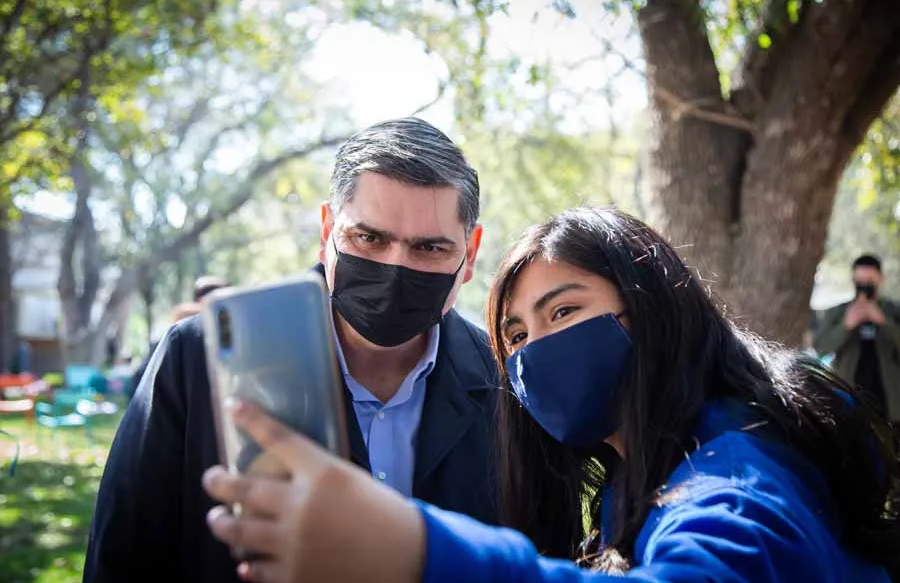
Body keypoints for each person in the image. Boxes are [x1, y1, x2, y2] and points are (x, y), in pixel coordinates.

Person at [202, 207, 899, 583]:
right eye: (515, 335)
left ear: (653, 309)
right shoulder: (635, 478)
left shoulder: (743, 477)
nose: (536, 349)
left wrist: (415, 551)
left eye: (563, 313)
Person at [83, 118, 499, 582]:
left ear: (470, 251)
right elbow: (121, 559)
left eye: (430, 248)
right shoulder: (197, 358)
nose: (395, 267)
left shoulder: (505, 383)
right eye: (369, 238)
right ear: (327, 231)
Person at [814, 254, 900, 425]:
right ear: (853, 279)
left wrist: (884, 322)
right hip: (849, 398)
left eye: (870, 280)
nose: (864, 285)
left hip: (890, 402)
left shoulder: (894, 311)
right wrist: (846, 326)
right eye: (860, 280)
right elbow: (821, 348)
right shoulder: (838, 312)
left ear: (880, 279)